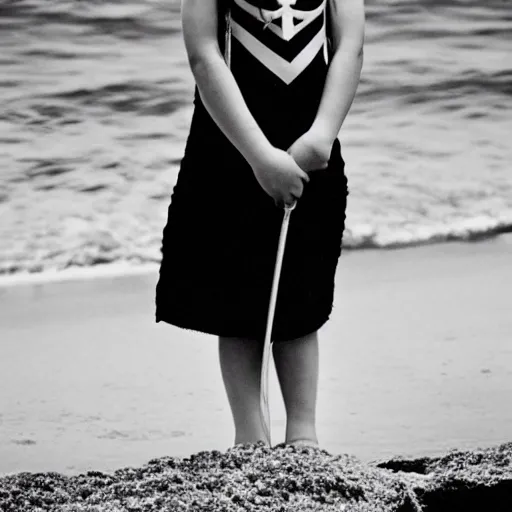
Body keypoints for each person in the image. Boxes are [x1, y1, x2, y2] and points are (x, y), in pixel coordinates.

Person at [155, 0, 364, 449]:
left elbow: (349, 47)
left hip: (311, 143)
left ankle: (304, 434)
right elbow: (203, 53)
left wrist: (322, 134)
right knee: (236, 300)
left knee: (301, 295)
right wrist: (259, 157)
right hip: (230, 143)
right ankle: (250, 435)